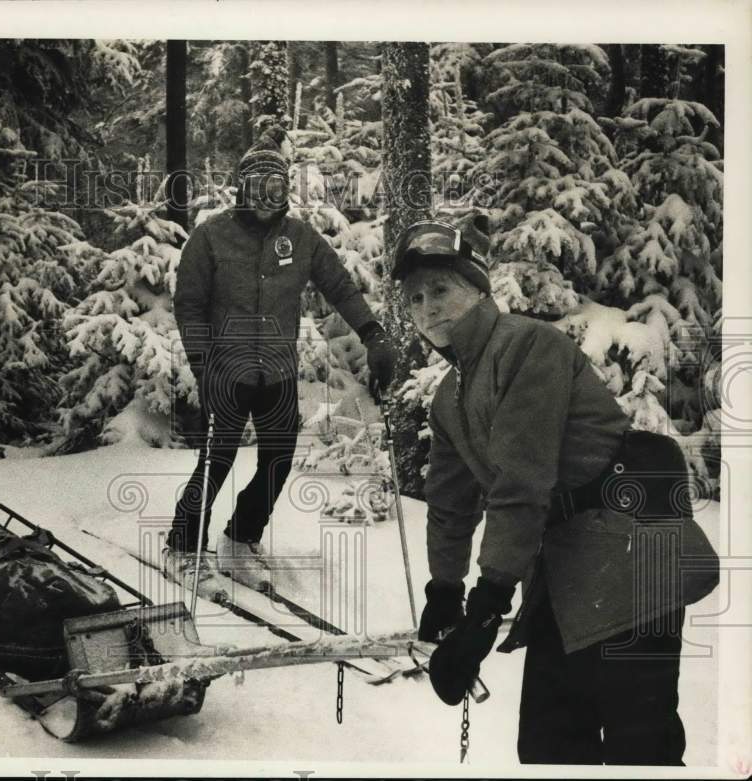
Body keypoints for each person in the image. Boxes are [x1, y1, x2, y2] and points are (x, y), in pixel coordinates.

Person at [391, 217, 720, 766]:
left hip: (632, 562)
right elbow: (450, 505)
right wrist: (444, 591)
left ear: (477, 288)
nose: (427, 307)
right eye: (415, 297)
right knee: (549, 753)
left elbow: (522, 485)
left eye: (441, 289)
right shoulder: (449, 397)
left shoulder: (526, 346)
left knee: (640, 751)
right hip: (563, 579)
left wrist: (486, 609)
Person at [168, 127, 395, 595]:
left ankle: (239, 540)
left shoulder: (301, 238)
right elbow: (189, 304)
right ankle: (183, 547)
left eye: (277, 187)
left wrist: (372, 333)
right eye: (259, 187)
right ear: (243, 188)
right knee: (218, 460)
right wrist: (202, 363)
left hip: (276, 372)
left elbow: (340, 288)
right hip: (224, 370)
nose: (269, 197)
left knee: (277, 460)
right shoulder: (210, 237)